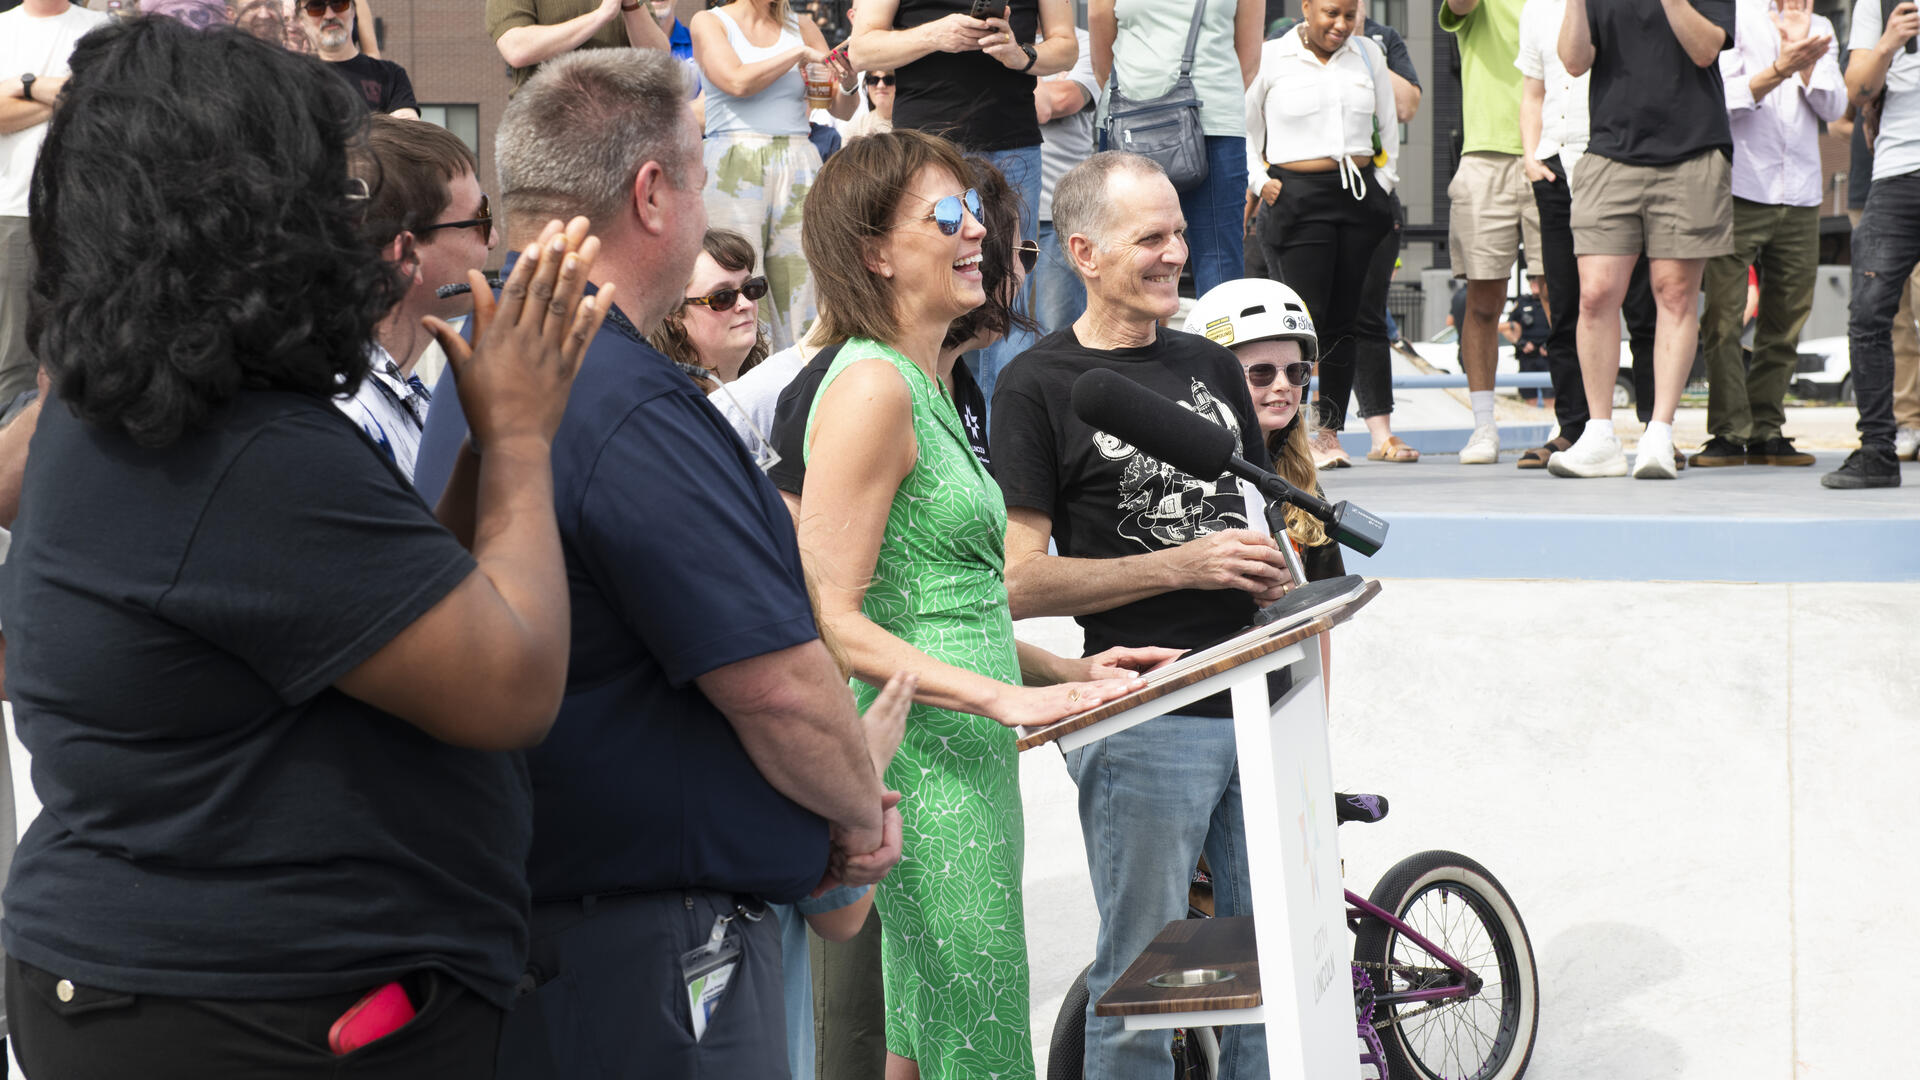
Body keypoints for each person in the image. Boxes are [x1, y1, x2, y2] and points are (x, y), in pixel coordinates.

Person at [0, 18, 612, 1077]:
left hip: (170, 985)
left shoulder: (128, 414)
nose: (364, 229)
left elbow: (392, 610)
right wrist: (515, 439)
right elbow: (509, 684)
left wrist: (472, 458)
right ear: (239, 215)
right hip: (264, 1009)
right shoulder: (236, 457)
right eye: (326, 191)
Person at [408, 49, 908, 1078]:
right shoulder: (625, 402)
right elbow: (773, 685)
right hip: (649, 954)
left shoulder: (474, 365)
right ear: (651, 193)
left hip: (543, 926)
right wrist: (860, 812)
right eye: (702, 173)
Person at [795, 130, 1158, 1080]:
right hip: (929, 763)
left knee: (928, 1033)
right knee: (980, 1034)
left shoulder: (927, 382)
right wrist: (1002, 697)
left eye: (975, 215)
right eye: (944, 217)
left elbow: (939, 602)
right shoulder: (874, 386)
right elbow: (834, 616)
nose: (977, 236)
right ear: (874, 250)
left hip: (964, 752)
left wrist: (1065, 670)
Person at [991, 150, 1293, 1080]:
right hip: (1145, 715)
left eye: (1177, 232)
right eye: (1150, 237)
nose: (1175, 253)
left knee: (1262, 976)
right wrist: (1187, 562)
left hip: (1262, 700)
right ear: (1082, 251)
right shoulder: (1037, 385)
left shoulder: (1209, 361)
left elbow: (1252, 521)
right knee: (1149, 990)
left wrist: (1274, 573)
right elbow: (1017, 580)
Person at [849, 0, 1079, 404]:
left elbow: (1066, 47)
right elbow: (862, 50)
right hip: (928, 144)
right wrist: (935, 35)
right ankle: (929, 411)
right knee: (928, 285)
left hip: (1013, 142)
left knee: (1011, 290)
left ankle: (1006, 435)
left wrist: (1020, 54)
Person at [1549, 0, 1735, 479]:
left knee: (1674, 293)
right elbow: (1573, 61)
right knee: (1595, 294)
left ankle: (1660, 432)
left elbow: (1706, 49)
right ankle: (1599, 435)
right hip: (1611, 151)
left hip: (1691, 151)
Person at [1245, 0, 1402, 467]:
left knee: (1345, 320)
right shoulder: (1272, 55)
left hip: (1357, 192)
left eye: (1350, 14)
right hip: (1294, 195)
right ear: (1307, 7)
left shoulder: (1369, 53)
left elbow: (1389, 126)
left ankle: (1328, 434)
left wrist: (1385, 182)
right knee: (1302, 322)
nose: (1341, 24)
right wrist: (1261, 181)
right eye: (1332, 12)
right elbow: (1245, 126)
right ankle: (1296, 435)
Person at [1512, 0, 1662, 468]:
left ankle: (1656, 430)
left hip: (1615, 160)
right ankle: (1574, 430)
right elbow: (1533, 91)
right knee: (1565, 305)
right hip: (1555, 165)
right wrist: (1531, 156)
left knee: (1641, 306)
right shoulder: (1536, 10)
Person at [1690, 0, 1838, 468]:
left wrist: (1802, 52)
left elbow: (1833, 104)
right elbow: (1721, 100)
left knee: (1787, 319)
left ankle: (1768, 430)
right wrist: (1780, 67)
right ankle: (1729, 433)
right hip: (1740, 187)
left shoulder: (1820, 24)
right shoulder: (1728, 15)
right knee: (1722, 316)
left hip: (1801, 192)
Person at [334, 115, 496, 480]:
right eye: (480, 220)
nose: (495, 238)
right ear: (404, 254)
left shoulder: (390, 391)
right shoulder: (349, 419)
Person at [692, 0, 857, 352]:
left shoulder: (804, 25)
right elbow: (735, 80)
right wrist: (796, 53)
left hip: (798, 159)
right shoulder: (709, 21)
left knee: (805, 289)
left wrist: (849, 81)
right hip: (733, 163)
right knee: (732, 281)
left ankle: (800, 388)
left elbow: (837, 107)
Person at [1094, 0, 1262, 302]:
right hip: (1129, 120)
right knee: (1128, 254)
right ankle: (1138, 348)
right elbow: (1100, 49)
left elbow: (1248, 61)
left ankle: (1219, 348)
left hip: (1212, 123)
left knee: (1218, 260)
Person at [1829, 0, 1920, 487]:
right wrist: (1888, 42)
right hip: (1895, 172)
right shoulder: (1879, 3)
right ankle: (1878, 451)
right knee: (1869, 315)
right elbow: (1858, 87)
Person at [1441, 0, 1537, 464]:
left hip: (1554, 148)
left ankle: (1575, 422)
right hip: (1485, 157)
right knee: (1481, 303)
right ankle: (1484, 426)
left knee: (1564, 295)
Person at [0, 0, 108, 406]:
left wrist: (22, 86)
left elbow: (101, 104)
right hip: (12, 211)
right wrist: (57, 91)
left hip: (85, 209)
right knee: (14, 355)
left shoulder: (102, 28)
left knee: (82, 340)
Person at [1032, 26, 1097, 336]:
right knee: (993, 333)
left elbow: (1061, 101)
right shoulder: (984, 39)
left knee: (1058, 331)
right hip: (998, 215)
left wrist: (1009, 68)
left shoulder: (1082, 43)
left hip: (1057, 218)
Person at [650, 228, 772, 388]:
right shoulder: (661, 406)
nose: (746, 304)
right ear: (673, 313)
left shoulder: (778, 390)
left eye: (751, 288)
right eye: (723, 297)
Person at [487, 0, 669, 92]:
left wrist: (631, 5)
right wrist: (600, 16)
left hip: (622, 126)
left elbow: (659, 60)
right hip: (548, 124)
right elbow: (517, 48)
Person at [297, 0, 417, 116]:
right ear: (301, 19)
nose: (329, 15)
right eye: (316, 6)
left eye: (339, 3)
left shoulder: (392, 76)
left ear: (353, 10)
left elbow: (407, 127)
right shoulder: (291, 79)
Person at [847, 68, 896, 137]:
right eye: (873, 80)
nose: (880, 86)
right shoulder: (855, 129)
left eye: (889, 80)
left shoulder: (912, 124)